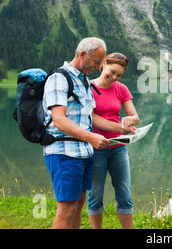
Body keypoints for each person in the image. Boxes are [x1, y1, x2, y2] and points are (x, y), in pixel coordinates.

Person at [42, 37, 112, 229]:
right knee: (67, 210)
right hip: (64, 152)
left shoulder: (84, 81)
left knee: (79, 204)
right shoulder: (59, 78)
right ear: (82, 55)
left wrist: (120, 129)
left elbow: (91, 117)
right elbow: (58, 119)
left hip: (84, 153)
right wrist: (90, 137)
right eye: (97, 62)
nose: (98, 67)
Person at [87, 52, 140, 229]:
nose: (114, 77)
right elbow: (92, 118)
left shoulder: (121, 88)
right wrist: (119, 127)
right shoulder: (89, 87)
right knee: (95, 195)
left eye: (119, 75)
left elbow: (135, 116)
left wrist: (129, 120)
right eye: (112, 71)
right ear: (103, 64)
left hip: (118, 147)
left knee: (125, 195)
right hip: (96, 147)